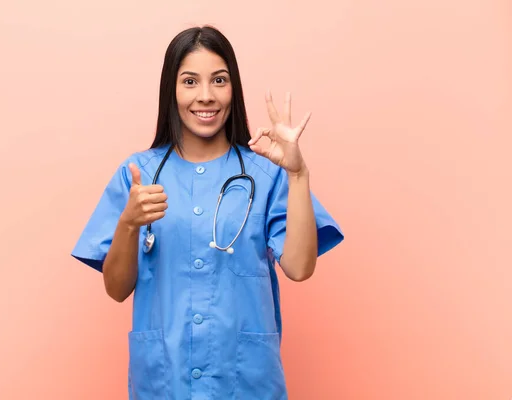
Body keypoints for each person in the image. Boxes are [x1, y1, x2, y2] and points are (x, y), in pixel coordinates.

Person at [71, 25, 344, 399]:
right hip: (166, 383)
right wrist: (129, 224)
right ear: (172, 89)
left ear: (234, 88)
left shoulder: (266, 173)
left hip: (245, 381)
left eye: (219, 80)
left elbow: (299, 267)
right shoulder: (138, 175)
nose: (206, 96)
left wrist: (297, 174)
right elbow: (117, 289)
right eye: (189, 82)